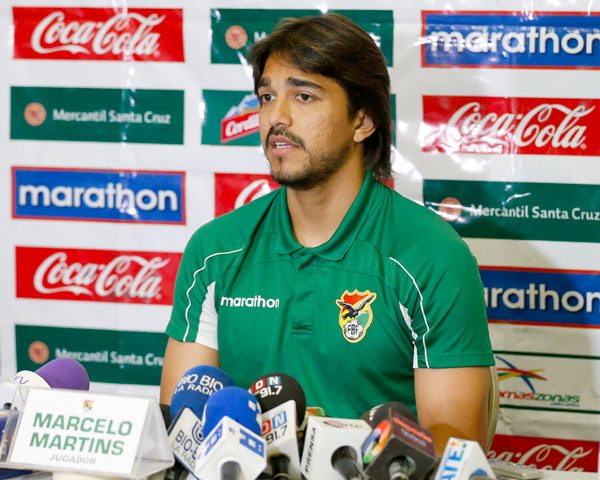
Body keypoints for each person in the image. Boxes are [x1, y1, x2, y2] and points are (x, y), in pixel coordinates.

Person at [160, 13, 494, 453]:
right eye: (267, 97)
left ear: (363, 121)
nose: (276, 117)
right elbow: (184, 428)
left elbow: (455, 450)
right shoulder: (215, 249)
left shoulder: (431, 255)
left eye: (303, 96)